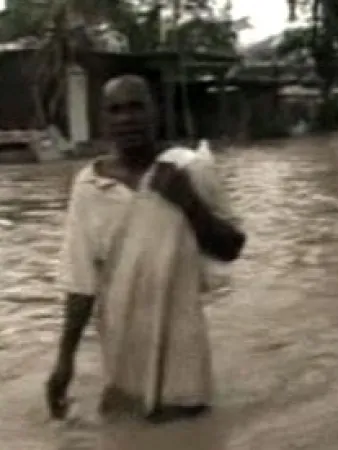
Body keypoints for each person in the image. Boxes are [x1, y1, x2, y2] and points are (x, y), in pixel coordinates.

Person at [45, 75, 246, 423]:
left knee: (188, 432)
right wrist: (65, 362)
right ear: (103, 120)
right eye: (116, 110)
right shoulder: (90, 186)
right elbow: (80, 283)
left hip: (185, 360)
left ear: (155, 112)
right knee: (126, 428)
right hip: (123, 356)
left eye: (136, 107)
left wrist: (189, 203)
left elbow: (231, 248)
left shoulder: (189, 169)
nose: (127, 118)